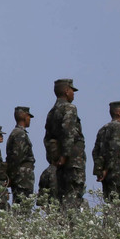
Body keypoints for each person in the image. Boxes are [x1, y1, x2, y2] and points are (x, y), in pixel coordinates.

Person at [44, 79, 86, 210]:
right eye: (72, 90)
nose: (73, 94)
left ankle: (62, 224)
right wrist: (65, 155)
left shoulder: (52, 112)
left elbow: (47, 138)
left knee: (62, 194)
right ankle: (70, 226)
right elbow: (68, 132)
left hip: (59, 162)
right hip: (72, 160)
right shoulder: (69, 108)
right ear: (67, 91)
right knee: (73, 194)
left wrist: (54, 157)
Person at [92, 101, 120, 206]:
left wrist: (99, 170)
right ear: (118, 112)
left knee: (109, 204)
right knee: (119, 206)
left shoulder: (103, 129)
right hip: (117, 172)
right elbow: (114, 149)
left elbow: (95, 151)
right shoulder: (119, 127)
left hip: (106, 174)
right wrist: (106, 169)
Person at [6, 107, 36, 206]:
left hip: (20, 177)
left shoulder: (16, 133)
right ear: (23, 116)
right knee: (23, 207)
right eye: (28, 116)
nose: (29, 119)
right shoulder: (20, 134)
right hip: (22, 178)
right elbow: (16, 158)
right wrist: (12, 177)